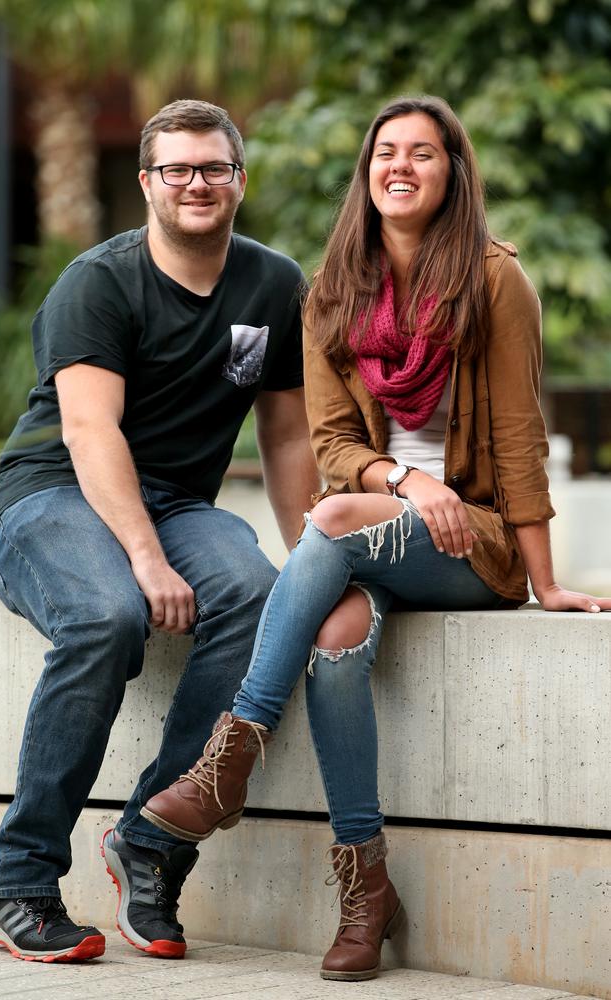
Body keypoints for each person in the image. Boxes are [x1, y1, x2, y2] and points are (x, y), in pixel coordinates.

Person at [138, 95, 611, 982]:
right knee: (336, 638)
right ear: (366, 172)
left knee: (331, 516)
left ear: (451, 174)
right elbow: (334, 447)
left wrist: (544, 584)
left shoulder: (495, 281)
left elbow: (517, 436)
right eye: (386, 151)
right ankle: (366, 888)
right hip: (382, 531)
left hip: (475, 542)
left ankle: (231, 753)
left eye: (423, 153)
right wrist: (407, 480)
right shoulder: (330, 299)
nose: (401, 165)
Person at [0, 99, 319, 964]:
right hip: (53, 494)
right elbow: (92, 435)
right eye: (177, 169)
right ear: (147, 184)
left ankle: (153, 840)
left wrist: (317, 555)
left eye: (213, 168)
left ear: (240, 180)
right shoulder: (101, 280)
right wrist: (145, 560)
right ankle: (17, 883)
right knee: (107, 616)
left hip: (175, 499)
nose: (196, 183)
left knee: (257, 594)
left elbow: (284, 435)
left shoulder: (275, 285)